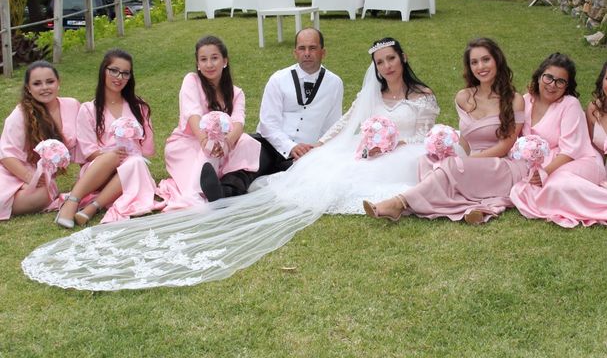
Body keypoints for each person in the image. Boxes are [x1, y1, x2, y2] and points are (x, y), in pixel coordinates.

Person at [22, 38, 440, 290]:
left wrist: (384, 141)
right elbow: (349, 122)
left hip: (395, 150)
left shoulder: (421, 95)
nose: (387, 66)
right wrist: (316, 146)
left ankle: (228, 186)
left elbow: (240, 122)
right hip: (196, 143)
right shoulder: (193, 84)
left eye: (391, 59)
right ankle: (213, 186)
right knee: (247, 153)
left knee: (249, 149)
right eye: (380, 61)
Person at [364, 38, 526, 224]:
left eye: (486, 59)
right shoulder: (464, 97)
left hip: (500, 165)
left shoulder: (515, 100)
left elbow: (506, 145)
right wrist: (451, 154)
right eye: (474, 62)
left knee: (450, 166)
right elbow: (465, 140)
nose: (481, 66)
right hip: (471, 162)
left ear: (497, 60)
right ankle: (459, 201)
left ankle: (399, 203)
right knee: (428, 160)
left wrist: (463, 161)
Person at [513, 57, 607, 228]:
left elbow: (576, 148)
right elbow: (593, 145)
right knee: (527, 189)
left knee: (556, 184)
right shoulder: (594, 109)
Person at [54, 49, 158, 228]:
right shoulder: (88, 109)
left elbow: (146, 149)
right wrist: (112, 155)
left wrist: (128, 155)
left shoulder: (139, 108)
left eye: (125, 73)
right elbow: (88, 152)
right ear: (104, 70)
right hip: (98, 170)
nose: (119, 77)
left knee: (136, 162)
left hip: (129, 170)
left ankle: (91, 209)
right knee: (113, 156)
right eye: (114, 70)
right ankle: (71, 202)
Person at [157, 36, 261, 209]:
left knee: (247, 141)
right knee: (197, 184)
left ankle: (224, 185)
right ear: (198, 64)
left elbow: (238, 122)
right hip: (187, 144)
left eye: (214, 58)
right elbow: (193, 114)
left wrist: (226, 142)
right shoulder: (192, 80)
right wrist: (206, 141)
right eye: (203, 60)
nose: (209, 64)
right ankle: (198, 193)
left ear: (225, 61)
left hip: (222, 146)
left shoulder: (236, 93)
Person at [509, 53, 607, 225]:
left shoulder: (569, 104)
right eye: (548, 77)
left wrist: (546, 171)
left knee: (555, 185)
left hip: (578, 160)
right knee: (521, 183)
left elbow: (571, 150)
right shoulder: (526, 100)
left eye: (560, 81)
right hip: (545, 162)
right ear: (539, 77)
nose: (552, 85)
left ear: (567, 86)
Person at [254, 28, 343, 176]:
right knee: (250, 165)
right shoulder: (278, 79)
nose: (307, 53)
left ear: (323, 52)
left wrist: (316, 150)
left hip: (306, 154)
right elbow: (268, 123)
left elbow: (331, 126)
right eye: (302, 48)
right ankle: (225, 189)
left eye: (313, 48)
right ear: (295, 53)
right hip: (271, 145)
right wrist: (290, 147)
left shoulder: (335, 83)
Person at [0, 61, 81, 221]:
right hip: (10, 173)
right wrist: (30, 178)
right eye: (37, 83)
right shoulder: (21, 114)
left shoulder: (73, 105)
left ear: (58, 83)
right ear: (28, 89)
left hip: (41, 179)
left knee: (48, 191)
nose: (44, 87)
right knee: (45, 194)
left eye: (50, 81)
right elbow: (6, 155)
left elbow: (83, 144)